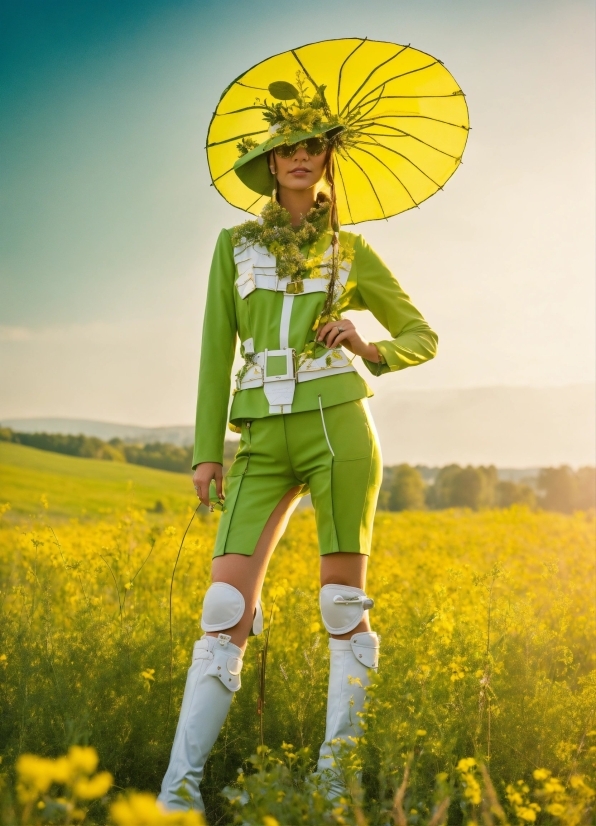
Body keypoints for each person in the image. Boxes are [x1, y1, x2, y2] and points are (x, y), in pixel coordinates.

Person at [157, 70, 438, 816]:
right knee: (223, 604)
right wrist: (205, 450)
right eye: (288, 147)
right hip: (260, 436)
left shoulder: (353, 251)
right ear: (270, 162)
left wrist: (368, 343)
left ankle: (332, 786)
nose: (301, 156)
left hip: (338, 424)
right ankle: (178, 795)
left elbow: (423, 335)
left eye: (315, 144)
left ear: (327, 157)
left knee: (342, 606)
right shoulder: (233, 247)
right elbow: (215, 351)